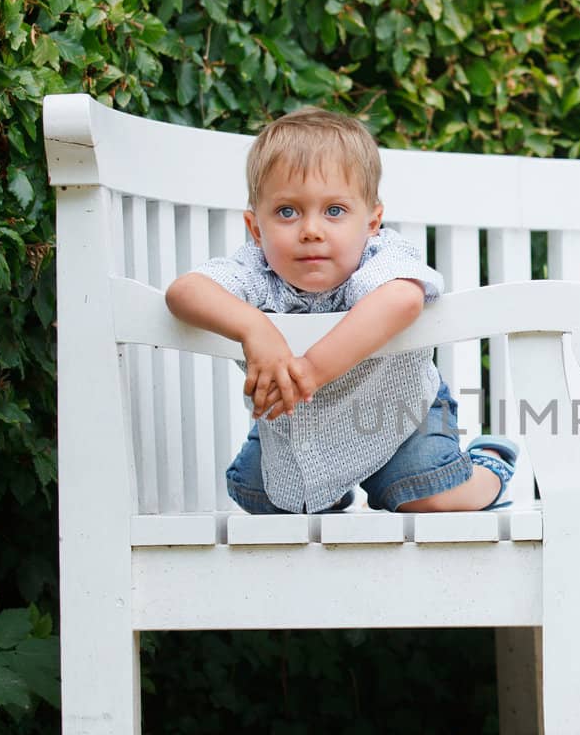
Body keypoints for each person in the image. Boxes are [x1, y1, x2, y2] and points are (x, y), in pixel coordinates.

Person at [164, 106, 516, 515]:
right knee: (257, 495)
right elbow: (184, 291)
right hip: (296, 426)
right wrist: (254, 328)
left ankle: (490, 464)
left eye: (334, 211)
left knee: (427, 495)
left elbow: (402, 299)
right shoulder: (256, 271)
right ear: (256, 228)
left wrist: (311, 369)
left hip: (398, 416)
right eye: (287, 212)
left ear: (371, 223)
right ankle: (328, 490)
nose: (311, 229)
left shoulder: (380, 257)